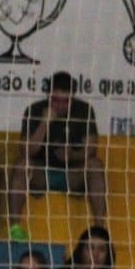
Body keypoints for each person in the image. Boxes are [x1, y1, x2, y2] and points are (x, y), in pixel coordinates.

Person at [11, 71, 108, 229]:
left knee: (96, 165)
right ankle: (15, 228)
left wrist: (72, 155)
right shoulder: (34, 110)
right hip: (43, 173)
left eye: (66, 101)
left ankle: (99, 229)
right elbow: (26, 151)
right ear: (48, 95)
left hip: (72, 174)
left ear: (73, 97)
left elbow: (91, 149)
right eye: (55, 100)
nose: (60, 105)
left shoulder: (84, 110)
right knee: (21, 165)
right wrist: (44, 123)